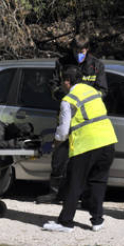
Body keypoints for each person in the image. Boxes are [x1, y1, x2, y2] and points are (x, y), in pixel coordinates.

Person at [43, 65, 117, 232]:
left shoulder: (68, 100)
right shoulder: (93, 92)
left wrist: (54, 144)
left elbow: (62, 132)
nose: (61, 85)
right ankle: (97, 220)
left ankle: (65, 222)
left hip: (87, 145)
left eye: (62, 82)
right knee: (98, 182)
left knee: (74, 183)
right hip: (108, 141)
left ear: (67, 82)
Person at [37, 34, 108, 204]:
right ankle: (55, 192)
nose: (79, 54)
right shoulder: (62, 63)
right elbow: (53, 86)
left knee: (84, 158)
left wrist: (83, 98)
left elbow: (103, 90)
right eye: (76, 50)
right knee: (60, 155)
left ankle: (84, 196)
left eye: (82, 50)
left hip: (86, 119)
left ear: (87, 49)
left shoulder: (96, 65)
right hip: (66, 113)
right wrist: (67, 95)